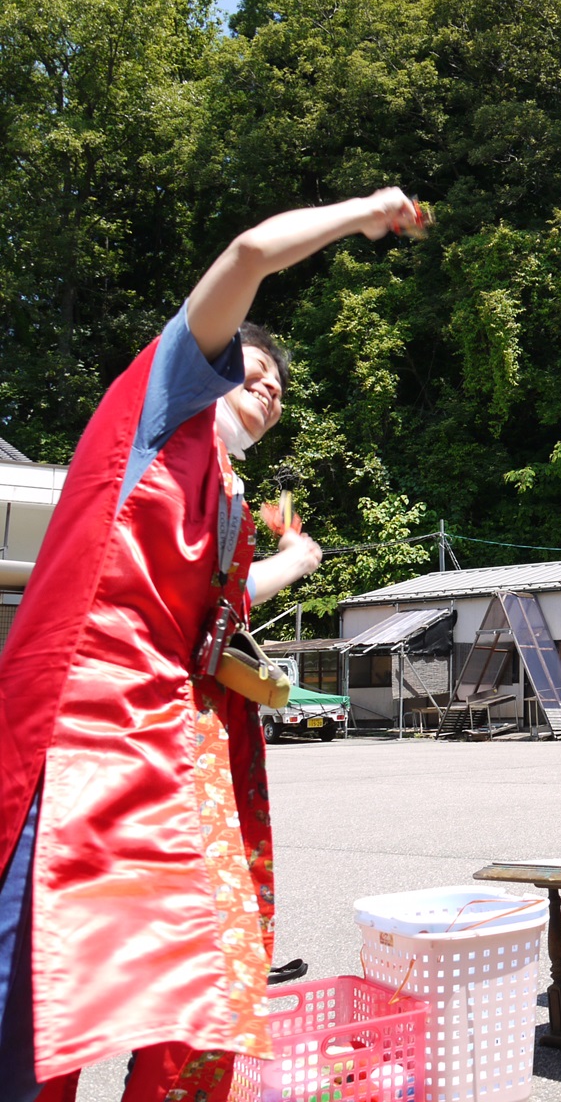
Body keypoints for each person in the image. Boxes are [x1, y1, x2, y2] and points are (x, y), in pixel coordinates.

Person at [0, 190, 425, 1101]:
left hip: (166, 732)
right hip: (84, 722)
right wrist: (364, 212)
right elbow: (248, 254)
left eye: (279, 387)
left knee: (199, 961)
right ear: (208, 366)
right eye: (253, 369)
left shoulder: (225, 491)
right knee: (47, 978)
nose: (268, 388)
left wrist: (294, 563)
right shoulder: (159, 409)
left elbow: (217, 618)